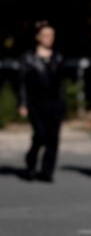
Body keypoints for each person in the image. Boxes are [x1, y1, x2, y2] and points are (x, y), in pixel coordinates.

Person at [18, 20, 64, 182]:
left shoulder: (58, 57)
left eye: (51, 35)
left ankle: (47, 171)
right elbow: (22, 82)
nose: (49, 38)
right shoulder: (28, 58)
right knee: (40, 134)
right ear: (38, 37)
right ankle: (31, 162)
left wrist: (62, 104)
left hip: (55, 104)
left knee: (53, 138)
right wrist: (22, 103)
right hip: (35, 103)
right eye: (45, 35)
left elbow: (60, 84)